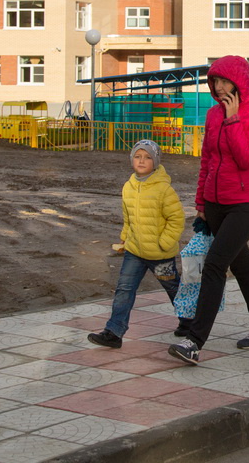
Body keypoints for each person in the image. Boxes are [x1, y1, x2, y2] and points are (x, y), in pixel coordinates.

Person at [168, 55, 249, 365]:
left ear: (239, 83)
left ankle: (194, 341)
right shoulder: (212, 115)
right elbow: (207, 161)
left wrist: (233, 119)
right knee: (242, 267)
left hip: (246, 203)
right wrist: (200, 202)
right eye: (215, 80)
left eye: (224, 80)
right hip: (215, 205)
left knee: (215, 265)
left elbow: (248, 160)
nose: (218, 86)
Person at [88, 139, 185, 349]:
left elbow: (176, 219)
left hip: (160, 254)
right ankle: (114, 332)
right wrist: (125, 238)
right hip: (134, 251)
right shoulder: (128, 187)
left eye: (148, 157)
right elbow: (128, 216)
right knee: (124, 289)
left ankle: (189, 322)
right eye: (138, 156)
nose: (142, 161)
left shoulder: (164, 190)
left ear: (156, 162)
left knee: (173, 287)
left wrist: (164, 242)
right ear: (132, 159)